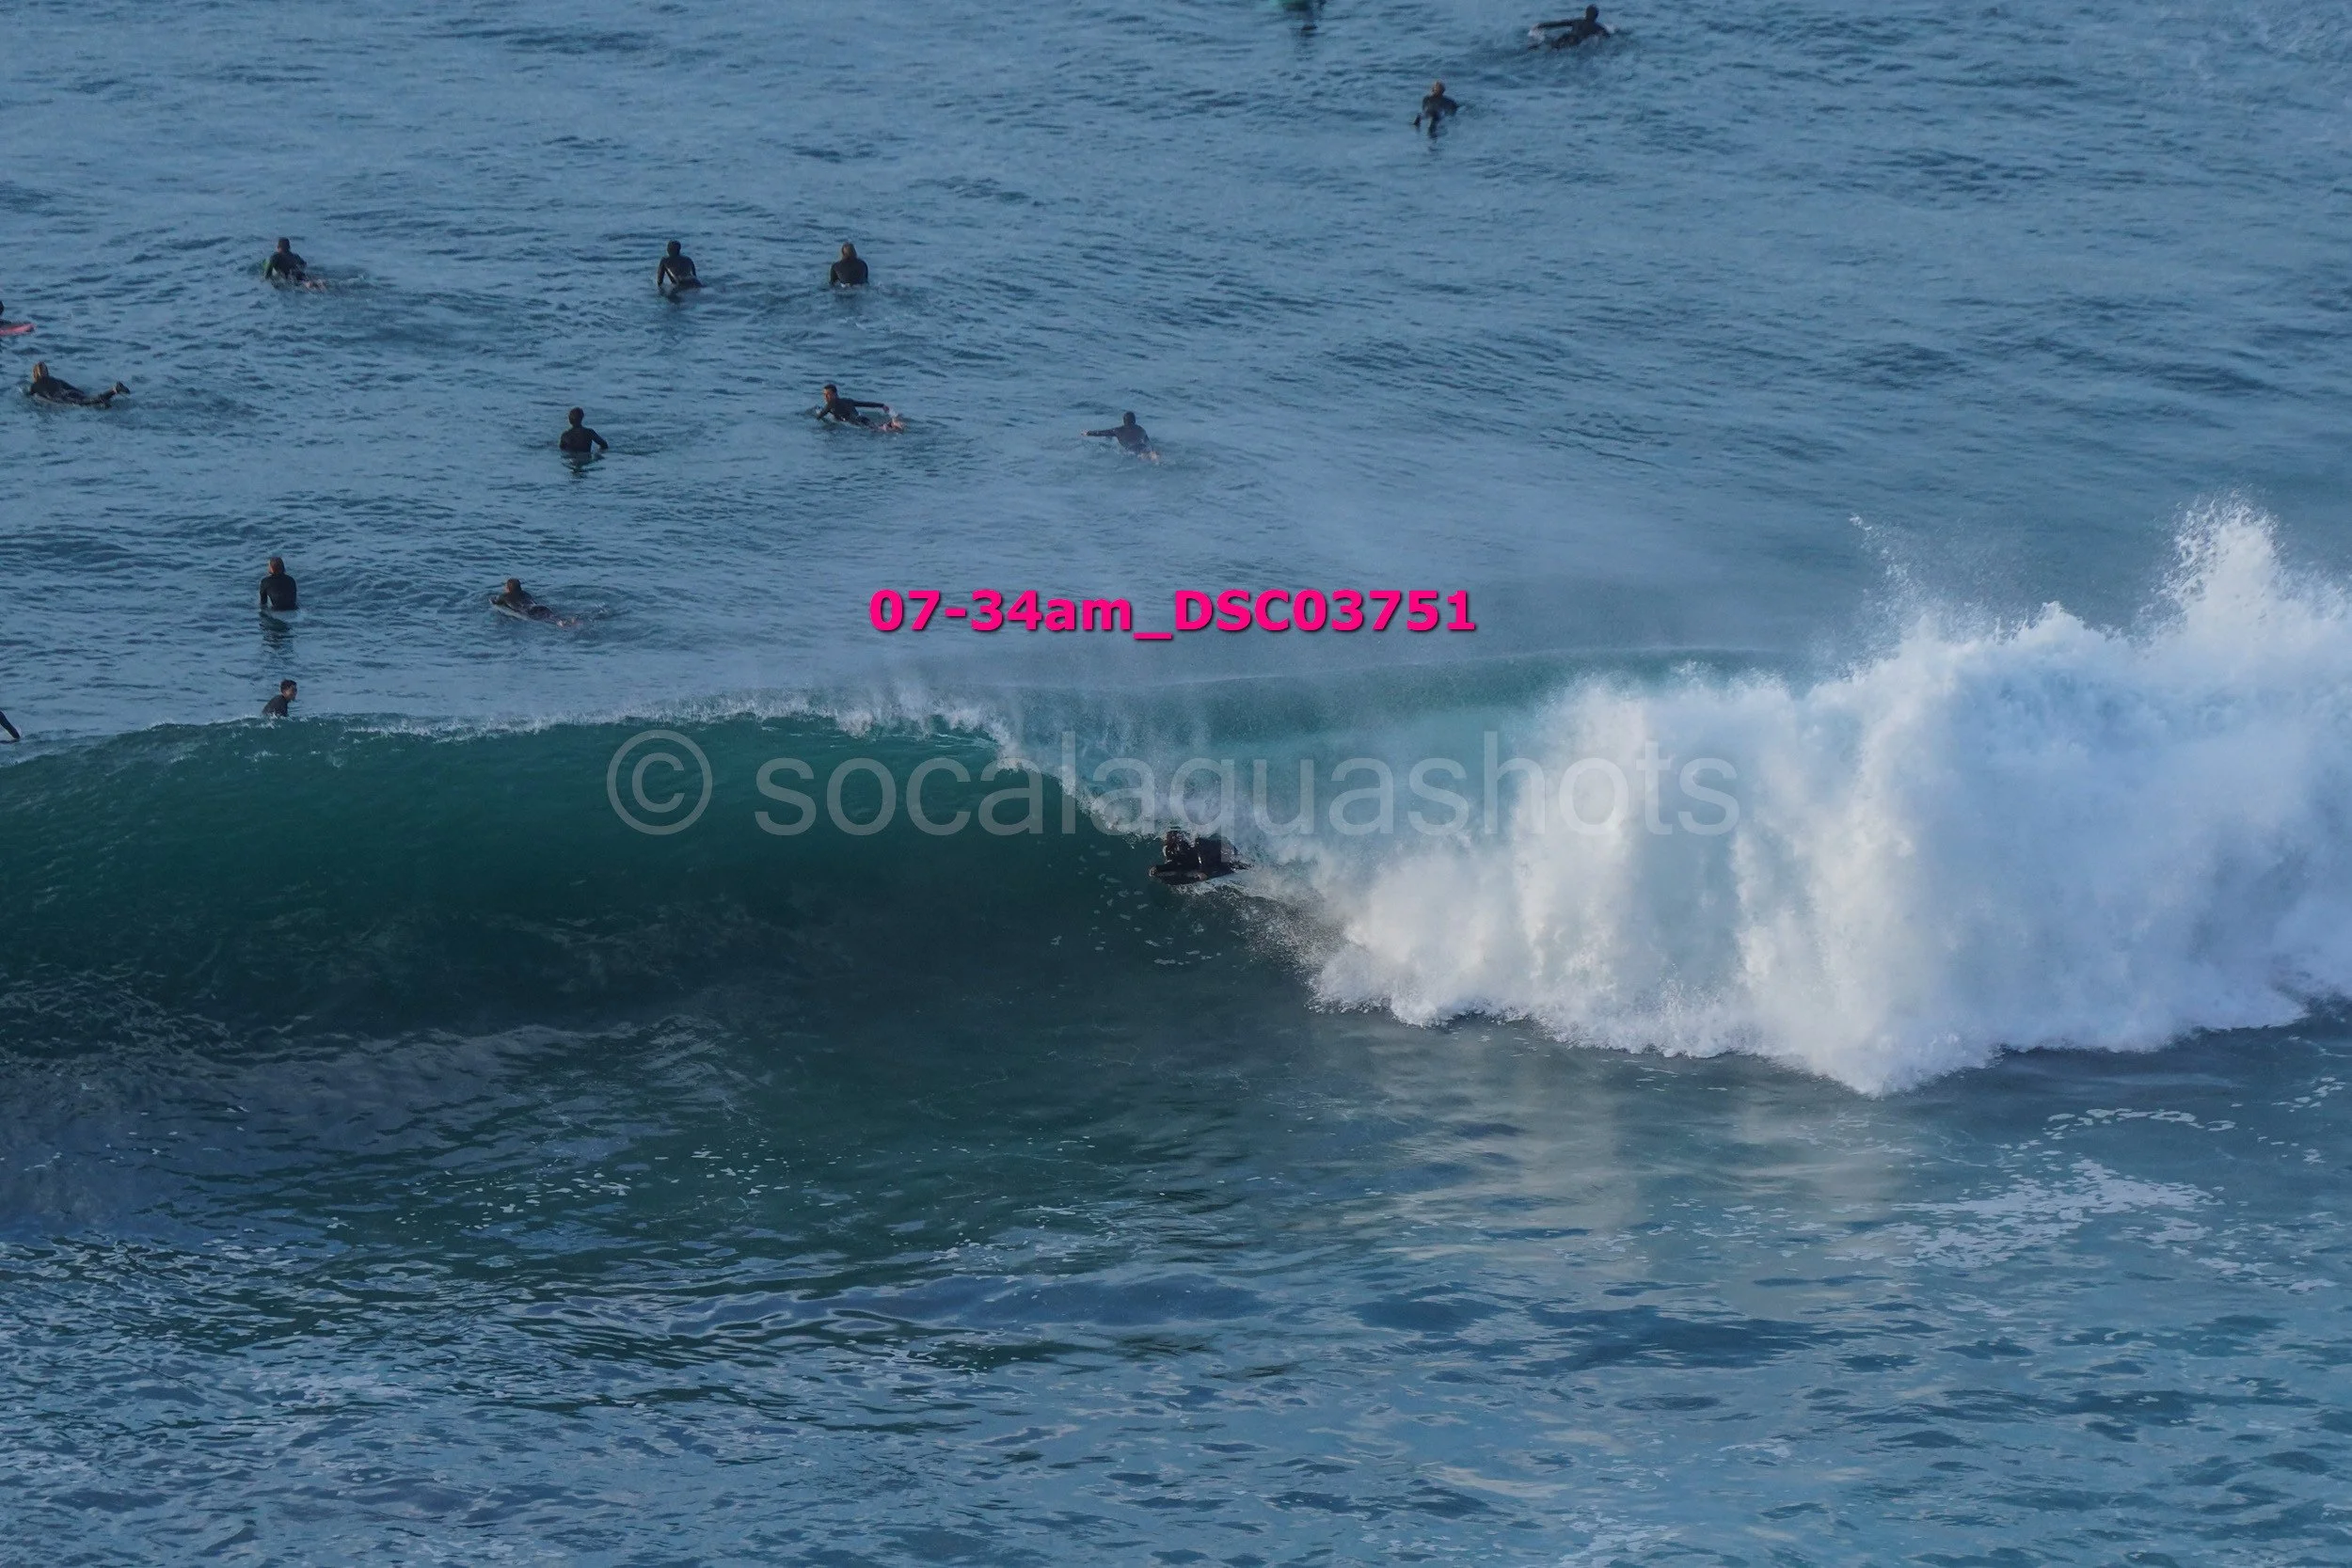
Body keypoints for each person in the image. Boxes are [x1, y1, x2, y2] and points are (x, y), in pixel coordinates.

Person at [26, 362, 127, 406]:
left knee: (86, 403)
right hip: (70, 392)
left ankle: (114, 390)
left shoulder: (34, 386)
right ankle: (113, 391)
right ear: (47, 372)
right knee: (89, 399)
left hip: (62, 398)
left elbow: (28, 396)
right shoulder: (56, 380)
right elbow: (75, 389)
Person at [818, 383, 896, 429]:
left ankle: (890, 426)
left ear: (835, 394)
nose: (825, 397)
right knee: (878, 427)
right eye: (824, 394)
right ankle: (891, 424)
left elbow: (819, 416)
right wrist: (882, 405)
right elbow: (865, 404)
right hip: (862, 418)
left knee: (877, 430)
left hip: (855, 422)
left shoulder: (831, 403)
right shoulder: (848, 400)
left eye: (828, 395)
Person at [1085, 411, 1156, 457]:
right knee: (1150, 454)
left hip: (1131, 449)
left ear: (1124, 421)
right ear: (1134, 421)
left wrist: (1088, 433)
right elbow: (1148, 442)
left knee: (1142, 456)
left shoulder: (1117, 430)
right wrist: (1152, 450)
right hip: (1143, 447)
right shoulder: (1141, 429)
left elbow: (1102, 433)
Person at [1534, 6, 1611, 45]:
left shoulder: (1577, 21)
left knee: (1551, 45)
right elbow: (1608, 37)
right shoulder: (1598, 27)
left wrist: (1540, 25)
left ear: (1585, 13)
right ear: (1596, 16)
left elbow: (1558, 24)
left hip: (1566, 36)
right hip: (1576, 41)